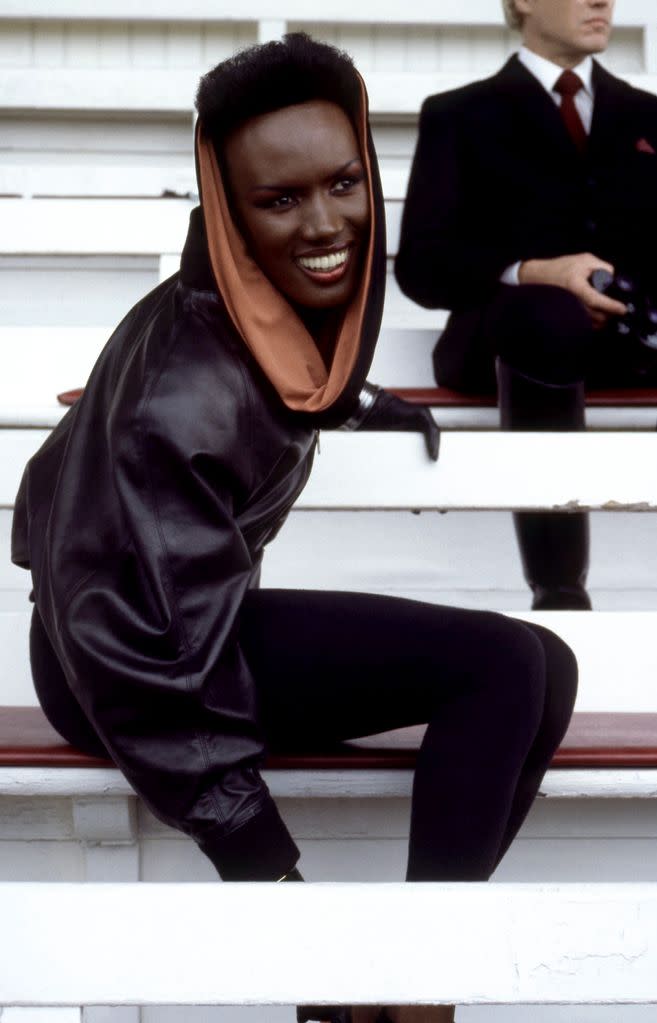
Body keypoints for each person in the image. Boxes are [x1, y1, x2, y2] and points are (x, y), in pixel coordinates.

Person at [12, 34, 577, 1023]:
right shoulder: (184, 385)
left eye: (344, 183)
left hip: (188, 619)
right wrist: (272, 885)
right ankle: (408, 986)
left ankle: (405, 983)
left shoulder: (267, 317)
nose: (326, 224)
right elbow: (119, 631)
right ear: (228, 213)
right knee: (501, 666)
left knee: (548, 665)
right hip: (117, 661)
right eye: (279, 201)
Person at [395, 0, 657, 612]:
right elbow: (422, 266)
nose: (602, 2)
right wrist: (540, 273)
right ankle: (560, 591)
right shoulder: (459, 114)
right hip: (506, 339)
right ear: (521, 2)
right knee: (546, 316)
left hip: (630, 340)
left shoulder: (649, 116)